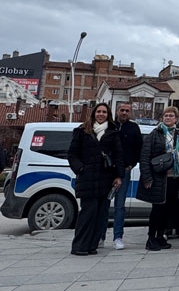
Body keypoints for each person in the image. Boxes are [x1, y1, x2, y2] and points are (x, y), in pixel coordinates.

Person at [68, 103, 124, 256]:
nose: (101, 114)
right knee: (88, 212)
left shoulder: (113, 132)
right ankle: (79, 245)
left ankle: (92, 245)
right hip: (87, 178)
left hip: (105, 178)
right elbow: (72, 154)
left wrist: (119, 176)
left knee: (100, 214)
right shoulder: (82, 131)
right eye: (98, 111)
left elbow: (119, 156)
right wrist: (80, 168)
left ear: (108, 114)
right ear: (94, 113)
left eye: (104, 112)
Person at [137, 106, 179, 251]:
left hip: (174, 178)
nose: (168, 118)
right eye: (166, 115)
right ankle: (151, 238)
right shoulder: (155, 134)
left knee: (168, 209)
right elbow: (145, 156)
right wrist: (147, 177)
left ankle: (160, 237)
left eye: (171, 116)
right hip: (159, 178)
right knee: (157, 209)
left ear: (176, 119)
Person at [107, 103, 142, 250]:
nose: (124, 113)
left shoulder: (134, 128)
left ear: (130, 113)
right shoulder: (109, 126)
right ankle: (99, 236)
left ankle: (118, 237)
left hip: (125, 172)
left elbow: (139, 148)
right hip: (107, 171)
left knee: (120, 206)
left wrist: (131, 165)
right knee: (103, 206)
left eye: (127, 111)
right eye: (122, 110)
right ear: (116, 111)